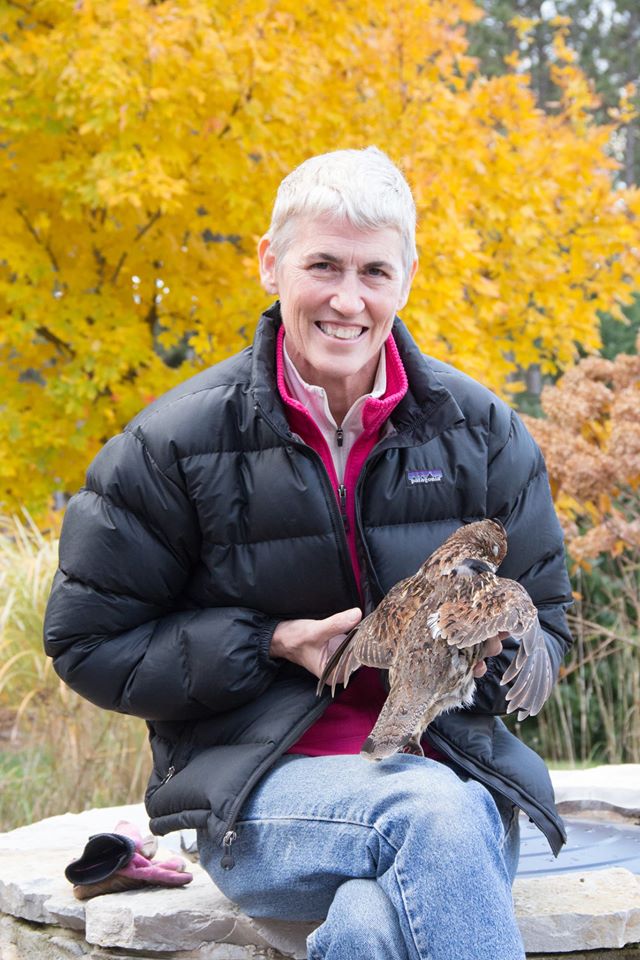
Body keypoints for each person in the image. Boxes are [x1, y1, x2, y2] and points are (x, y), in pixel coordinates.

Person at [44, 147, 573, 960]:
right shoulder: (174, 442)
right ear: (270, 263)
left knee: (370, 924)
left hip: (454, 780)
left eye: (374, 272)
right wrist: (268, 644)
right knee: (428, 812)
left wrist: (489, 653)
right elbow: (85, 642)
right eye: (322, 264)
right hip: (262, 797)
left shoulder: (483, 432)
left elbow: (551, 618)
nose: (348, 299)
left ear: (408, 277)